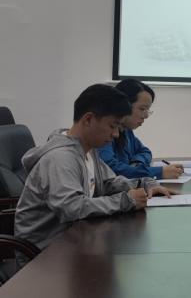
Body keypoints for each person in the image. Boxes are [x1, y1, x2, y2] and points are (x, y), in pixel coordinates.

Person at [15, 84, 173, 249]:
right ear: (88, 120)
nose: (116, 134)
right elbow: (72, 208)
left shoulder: (89, 149)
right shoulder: (60, 158)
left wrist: (143, 183)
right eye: (112, 126)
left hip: (76, 240)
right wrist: (126, 201)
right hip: (45, 253)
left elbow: (107, 183)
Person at [98, 79, 183, 179]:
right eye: (142, 109)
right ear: (124, 105)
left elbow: (145, 152)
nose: (146, 116)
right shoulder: (105, 133)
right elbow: (111, 169)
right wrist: (159, 172)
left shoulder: (127, 130)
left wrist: (136, 164)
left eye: (148, 110)